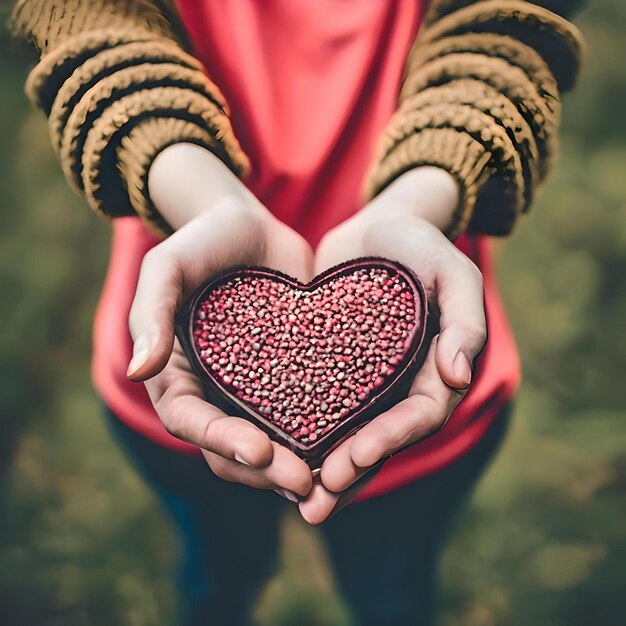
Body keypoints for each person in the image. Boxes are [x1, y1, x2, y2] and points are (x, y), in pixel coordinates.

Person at [11, 1, 585, 624]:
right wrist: (196, 191)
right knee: (218, 580)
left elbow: (509, 24)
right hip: (184, 354)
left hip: (430, 361)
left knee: (391, 597)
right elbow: (84, 19)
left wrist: (425, 191)